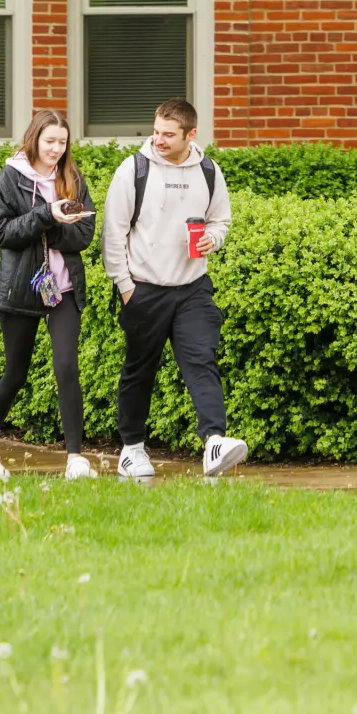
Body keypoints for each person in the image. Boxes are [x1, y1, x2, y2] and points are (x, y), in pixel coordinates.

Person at [101, 97, 247, 480]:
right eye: (156, 131)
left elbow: (220, 222)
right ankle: (132, 449)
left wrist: (212, 240)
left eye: (168, 134)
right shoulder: (133, 170)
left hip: (193, 288)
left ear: (190, 134)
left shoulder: (210, 171)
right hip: (144, 289)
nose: (159, 139)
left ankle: (214, 441)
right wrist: (125, 285)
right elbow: (113, 233)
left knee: (202, 360)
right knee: (139, 369)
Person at [0, 109, 98, 481]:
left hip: (63, 287)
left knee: (67, 367)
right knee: (15, 374)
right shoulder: (11, 177)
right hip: (21, 290)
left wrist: (60, 227)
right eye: (50, 142)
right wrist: (47, 214)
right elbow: (1, 233)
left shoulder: (72, 177)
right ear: (34, 138)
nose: (56, 149)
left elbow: (86, 234)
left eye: (62, 142)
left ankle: (75, 458)